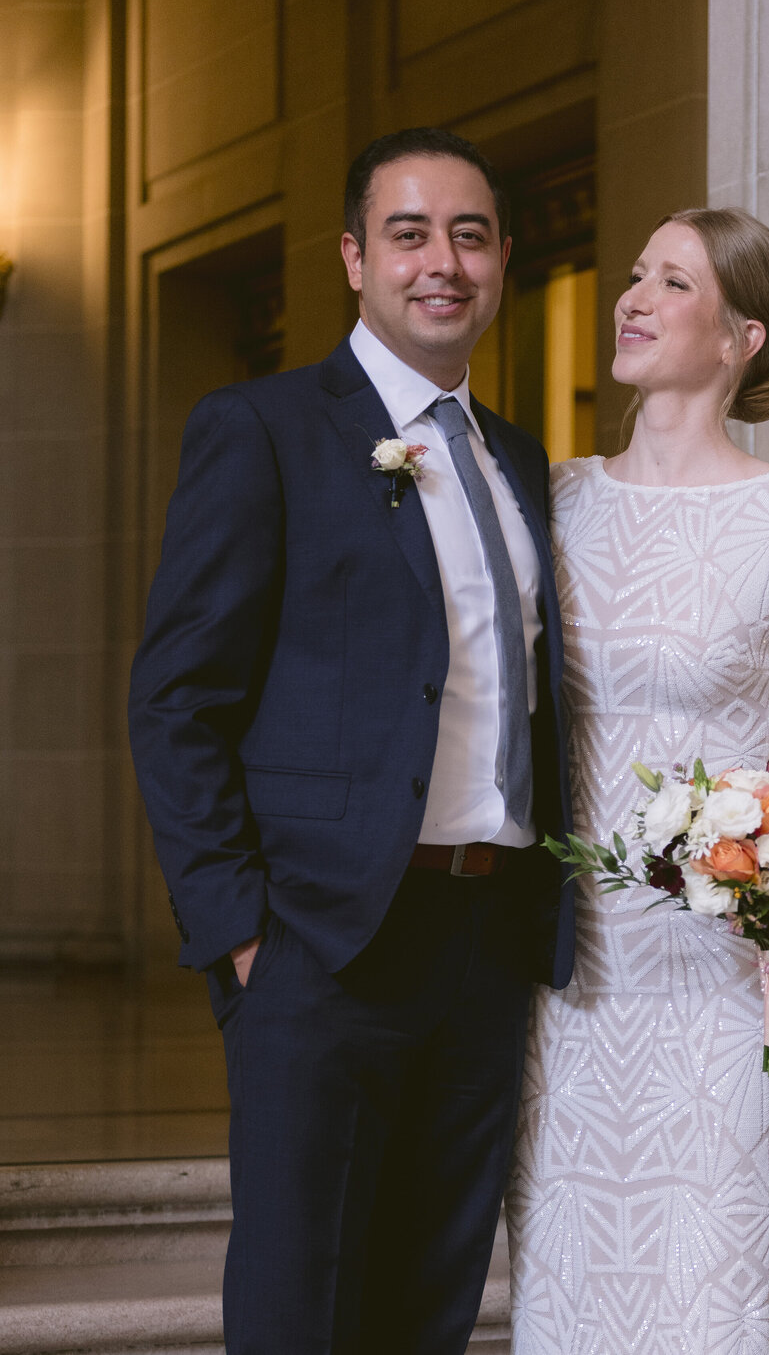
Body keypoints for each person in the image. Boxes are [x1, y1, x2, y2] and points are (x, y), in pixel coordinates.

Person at [127, 127, 575, 1355]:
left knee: (428, 1305)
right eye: (411, 233)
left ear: (501, 263)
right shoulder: (262, 427)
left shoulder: (520, 460)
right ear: (353, 258)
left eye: (471, 235)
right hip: (321, 944)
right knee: (296, 1308)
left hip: (485, 944)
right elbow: (177, 698)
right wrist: (240, 931)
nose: (445, 261)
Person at [505, 207, 769, 1353]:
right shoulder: (552, 499)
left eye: (673, 282)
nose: (633, 297)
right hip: (564, 979)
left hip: (727, 985)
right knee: (567, 1290)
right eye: (634, 276)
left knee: (708, 1299)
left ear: (740, 338)